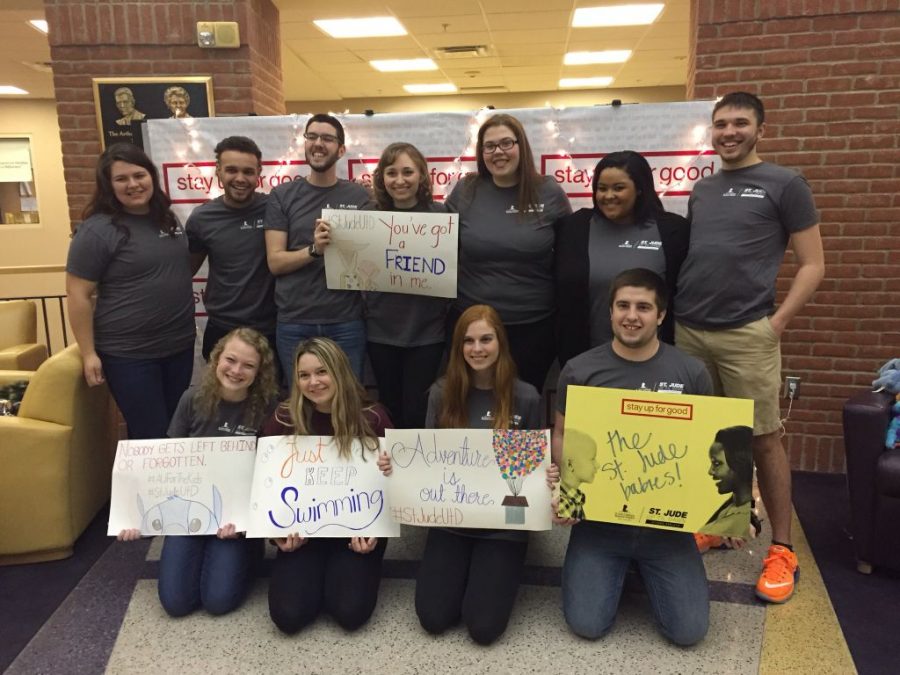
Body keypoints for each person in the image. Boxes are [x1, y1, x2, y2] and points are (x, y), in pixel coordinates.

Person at [674, 92, 825, 604]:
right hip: (690, 329)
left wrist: (776, 324)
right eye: (721, 124)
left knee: (762, 440)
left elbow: (813, 264)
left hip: (748, 333)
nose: (729, 132)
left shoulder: (785, 184)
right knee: (713, 437)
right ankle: (721, 522)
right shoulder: (702, 188)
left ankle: (782, 549)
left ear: (761, 128)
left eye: (740, 123)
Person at [552, 268, 713, 646]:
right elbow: (562, 434)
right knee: (587, 625)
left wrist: (728, 508)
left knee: (689, 633)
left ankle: (638, 569)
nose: (631, 315)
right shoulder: (580, 371)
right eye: (622, 305)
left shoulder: (691, 373)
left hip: (666, 528)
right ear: (610, 312)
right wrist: (568, 490)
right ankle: (615, 567)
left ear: (660, 316)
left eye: (643, 307)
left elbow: (706, 448)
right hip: (600, 526)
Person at [117, 328, 279, 616]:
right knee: (176, 603)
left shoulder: (269, 409)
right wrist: (133, 517)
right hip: (188, 514)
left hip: (235, 523)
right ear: (217, 358)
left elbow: (274, 476)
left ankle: (249, 554)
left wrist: (246, 525)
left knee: (219, 601)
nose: (236, 370)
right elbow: (166, 467)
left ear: (260, 372)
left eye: (248, 365)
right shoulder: (191, 400)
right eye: (230, 359)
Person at [415, 304, 542, 645]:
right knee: (434, 618)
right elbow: (427, 461)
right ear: (458, 348)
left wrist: (546, 475)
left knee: (484, 628)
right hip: (451, 520)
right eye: (468, 341)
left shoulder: (526, 397)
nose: (477, 349)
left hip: (503, 526)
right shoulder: (442, 394)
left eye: (486, 339)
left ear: (500, 342)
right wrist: (398, 467)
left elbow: (529, 476)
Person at [261, 337, 393, 634]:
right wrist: (276, 534)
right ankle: (318, 571)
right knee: (288, 615)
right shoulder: (284, 418)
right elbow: (266, 485)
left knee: (350, 612)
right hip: (302, 532)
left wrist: (391, 473)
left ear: (339, 371)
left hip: (357, 531)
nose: (313, 382)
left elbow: (393, 486)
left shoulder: (372, 417)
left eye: (322, 372)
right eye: (304, 375)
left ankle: (342, 570)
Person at [66, 143, 194, 440]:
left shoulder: (168, 219)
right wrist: (88, 354)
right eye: (121, 179)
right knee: (151, 435)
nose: (133, 184)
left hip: (178, 347)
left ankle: (176, 486)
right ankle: (149, 489)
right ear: (108, 186)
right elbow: (77, 295)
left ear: (151, 176)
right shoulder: (97, 231)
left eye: (139, 175)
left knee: (177, 428)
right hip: (129, 355)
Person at [446, 113, 571, 392]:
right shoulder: (466, 190)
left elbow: (570, 254)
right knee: (473, 406)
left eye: (506, 143)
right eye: (489, 146)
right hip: (473, 326)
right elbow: (434, 243)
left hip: (533, 326)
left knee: (522, 407)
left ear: (521, 146)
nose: (498, 152)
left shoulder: (548, 191)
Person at [555, 150, 689, 366]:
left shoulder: (674, 231)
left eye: (618, 188)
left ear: (640, 190)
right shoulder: (573, 228)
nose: (608, 196)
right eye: (602, 188)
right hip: (585, 360)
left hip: (654, 362)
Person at [264, 114, 370, 383]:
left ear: (341, 149)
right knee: (301, 405)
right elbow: (275, 262)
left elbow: (373, 257)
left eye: (327, 138)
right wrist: (314, 250)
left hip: (346, 320)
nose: (318, 143)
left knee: (347, 401)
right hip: (295, 321)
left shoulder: (360, 196)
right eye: (311, 137)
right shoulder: (282, 196)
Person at [366, 142, 448, 427]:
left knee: (417, 411)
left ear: (422, 176)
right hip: (380, 331)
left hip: (427, 333)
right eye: (391, 173)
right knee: (389, 407)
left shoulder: (442, 217)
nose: (399, 180)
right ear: (382, 178)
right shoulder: (368, 218)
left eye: (407, 172)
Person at [186, 136, 277, 365]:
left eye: (248, 172)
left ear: (259, 173)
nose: (240, 178)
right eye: (231, 170)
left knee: (271, 399)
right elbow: (184, 271)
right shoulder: (202, 218)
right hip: (222, 327)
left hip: (272, 327)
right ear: (218, 171)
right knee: (222, 398)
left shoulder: (276, 208)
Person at [699, 425, 754, 540]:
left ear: (739, 463)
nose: (710, 471)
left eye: (717, 463)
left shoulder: (738, 517)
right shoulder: (732, 507)